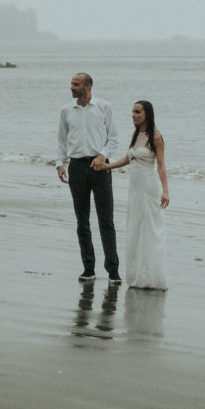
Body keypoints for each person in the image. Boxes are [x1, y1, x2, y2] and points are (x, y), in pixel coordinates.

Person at [55, 72, 120, 283]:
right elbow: (61, 141)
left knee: (106, 221)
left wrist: (103, 155)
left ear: (88, 87)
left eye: (76, 84)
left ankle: (113, 270)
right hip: (77, 167)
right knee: (82, 221)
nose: (72, 87)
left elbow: (113, 138)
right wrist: (60, 164)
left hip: (100, 167)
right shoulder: (66, 110)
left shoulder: (104, 107)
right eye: (71, 83)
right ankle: (88, 268)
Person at [102, 99, 169, 291]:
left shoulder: (156, 137)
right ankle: (137, 276)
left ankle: (152, 276)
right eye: (132, 111)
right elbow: (129, 158)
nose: (133, 115)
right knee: (135, 229)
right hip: (134, 188)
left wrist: (165, 191)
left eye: (138, 112)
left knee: (150, 229)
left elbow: (161, 166)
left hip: (148, 187)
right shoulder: (135, 134)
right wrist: (108, 166)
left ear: (147, 114)